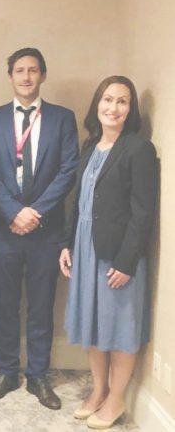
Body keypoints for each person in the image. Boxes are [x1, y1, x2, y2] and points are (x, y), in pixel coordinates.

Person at [0, 48, 79, 409]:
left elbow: (69, 170)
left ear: (43, 75)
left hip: (46, 229)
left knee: (41, 306)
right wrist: (13, 211)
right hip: (4, 228)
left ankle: (38, 375)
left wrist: (34, 211)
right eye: (19, 70)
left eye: (33, 70)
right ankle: (6, 371)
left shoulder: (62, 118)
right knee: (5, 305)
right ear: (9, 76)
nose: (26, 77)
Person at [60, 76, 155, 429]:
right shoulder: (90, 146)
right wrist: (67, 244)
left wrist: (127, 261)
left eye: (123, 101)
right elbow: (81, 205)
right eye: (108, 99)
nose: (113, 108)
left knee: (120, 326)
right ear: (97, 103)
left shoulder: (138, 149)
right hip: (85, 248)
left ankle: (116, 399)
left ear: (131, 110)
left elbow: (144, 212)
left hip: (117, 255)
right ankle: (98, 390)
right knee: (93, 323)